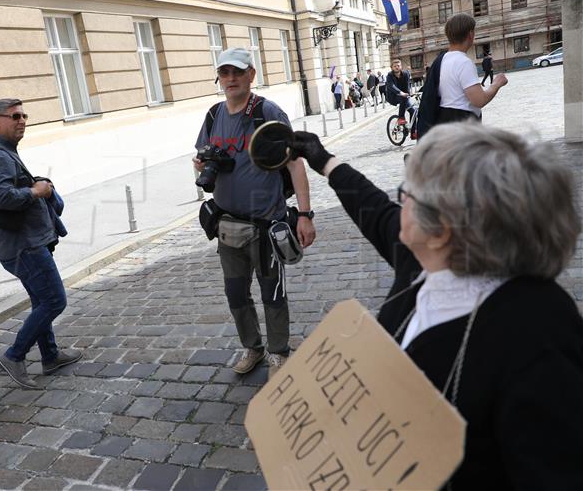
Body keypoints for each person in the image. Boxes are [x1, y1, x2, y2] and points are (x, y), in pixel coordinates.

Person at [290, 123, 583, 488]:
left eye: (407, 195)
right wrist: (324, 162)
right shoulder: (428, 262)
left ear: (442, 229)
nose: (400, 203)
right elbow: (374, 210)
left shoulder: (541, 332)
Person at [194, 48, 315, 378]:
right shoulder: (212, 115)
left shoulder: (267, 111)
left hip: (266, 223)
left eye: (237, 72)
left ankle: (278, 352)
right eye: (224, 73)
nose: (230, 79)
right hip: (227, 224)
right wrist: (203, 165)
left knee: (272, 291)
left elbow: (294, 163)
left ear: (251, 74)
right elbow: (201, 160)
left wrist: (305, 214)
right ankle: (253, 347)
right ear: (218, 78)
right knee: (235, 292)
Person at [0, 98, 82, 389]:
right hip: (24, 246)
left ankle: (50, 356)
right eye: (14, 116)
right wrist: (36, 191)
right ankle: (14, 356)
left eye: (24, 115)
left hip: (27, 242)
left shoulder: (5, 151)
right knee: (54, 300)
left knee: (41, 300)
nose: (22, 120)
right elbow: (2, 198)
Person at [417, 13, 507, 138]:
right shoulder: (463, 62)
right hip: (462, 124)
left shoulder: (442, 59)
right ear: (470, 35)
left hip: (444, 120)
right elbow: (479, 100)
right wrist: (496, 84)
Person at [385, 59, 415, 129]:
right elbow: (391, 86)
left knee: (413, 111)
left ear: (401, 66)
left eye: (398, 66)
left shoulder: (406, 74)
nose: (397, 67)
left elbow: (407, 86)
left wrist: (408, 94)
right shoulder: (389, 75)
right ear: (392, 68)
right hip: (392, 97)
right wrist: (401, 93)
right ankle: (401, 118)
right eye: (395, 66)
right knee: (403, 97)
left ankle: (413, 131)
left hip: (403, 97)